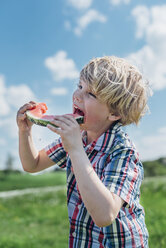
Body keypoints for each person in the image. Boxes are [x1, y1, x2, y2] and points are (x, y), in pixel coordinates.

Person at [17, 56, 150, 247]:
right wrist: (25, 131)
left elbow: (105, 214)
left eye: (91, 94)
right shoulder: (77, 136)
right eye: (79, 86)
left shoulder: (123, 151)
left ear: (114, 113)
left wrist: (76, 150)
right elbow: (33, 164)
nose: (77, 96)